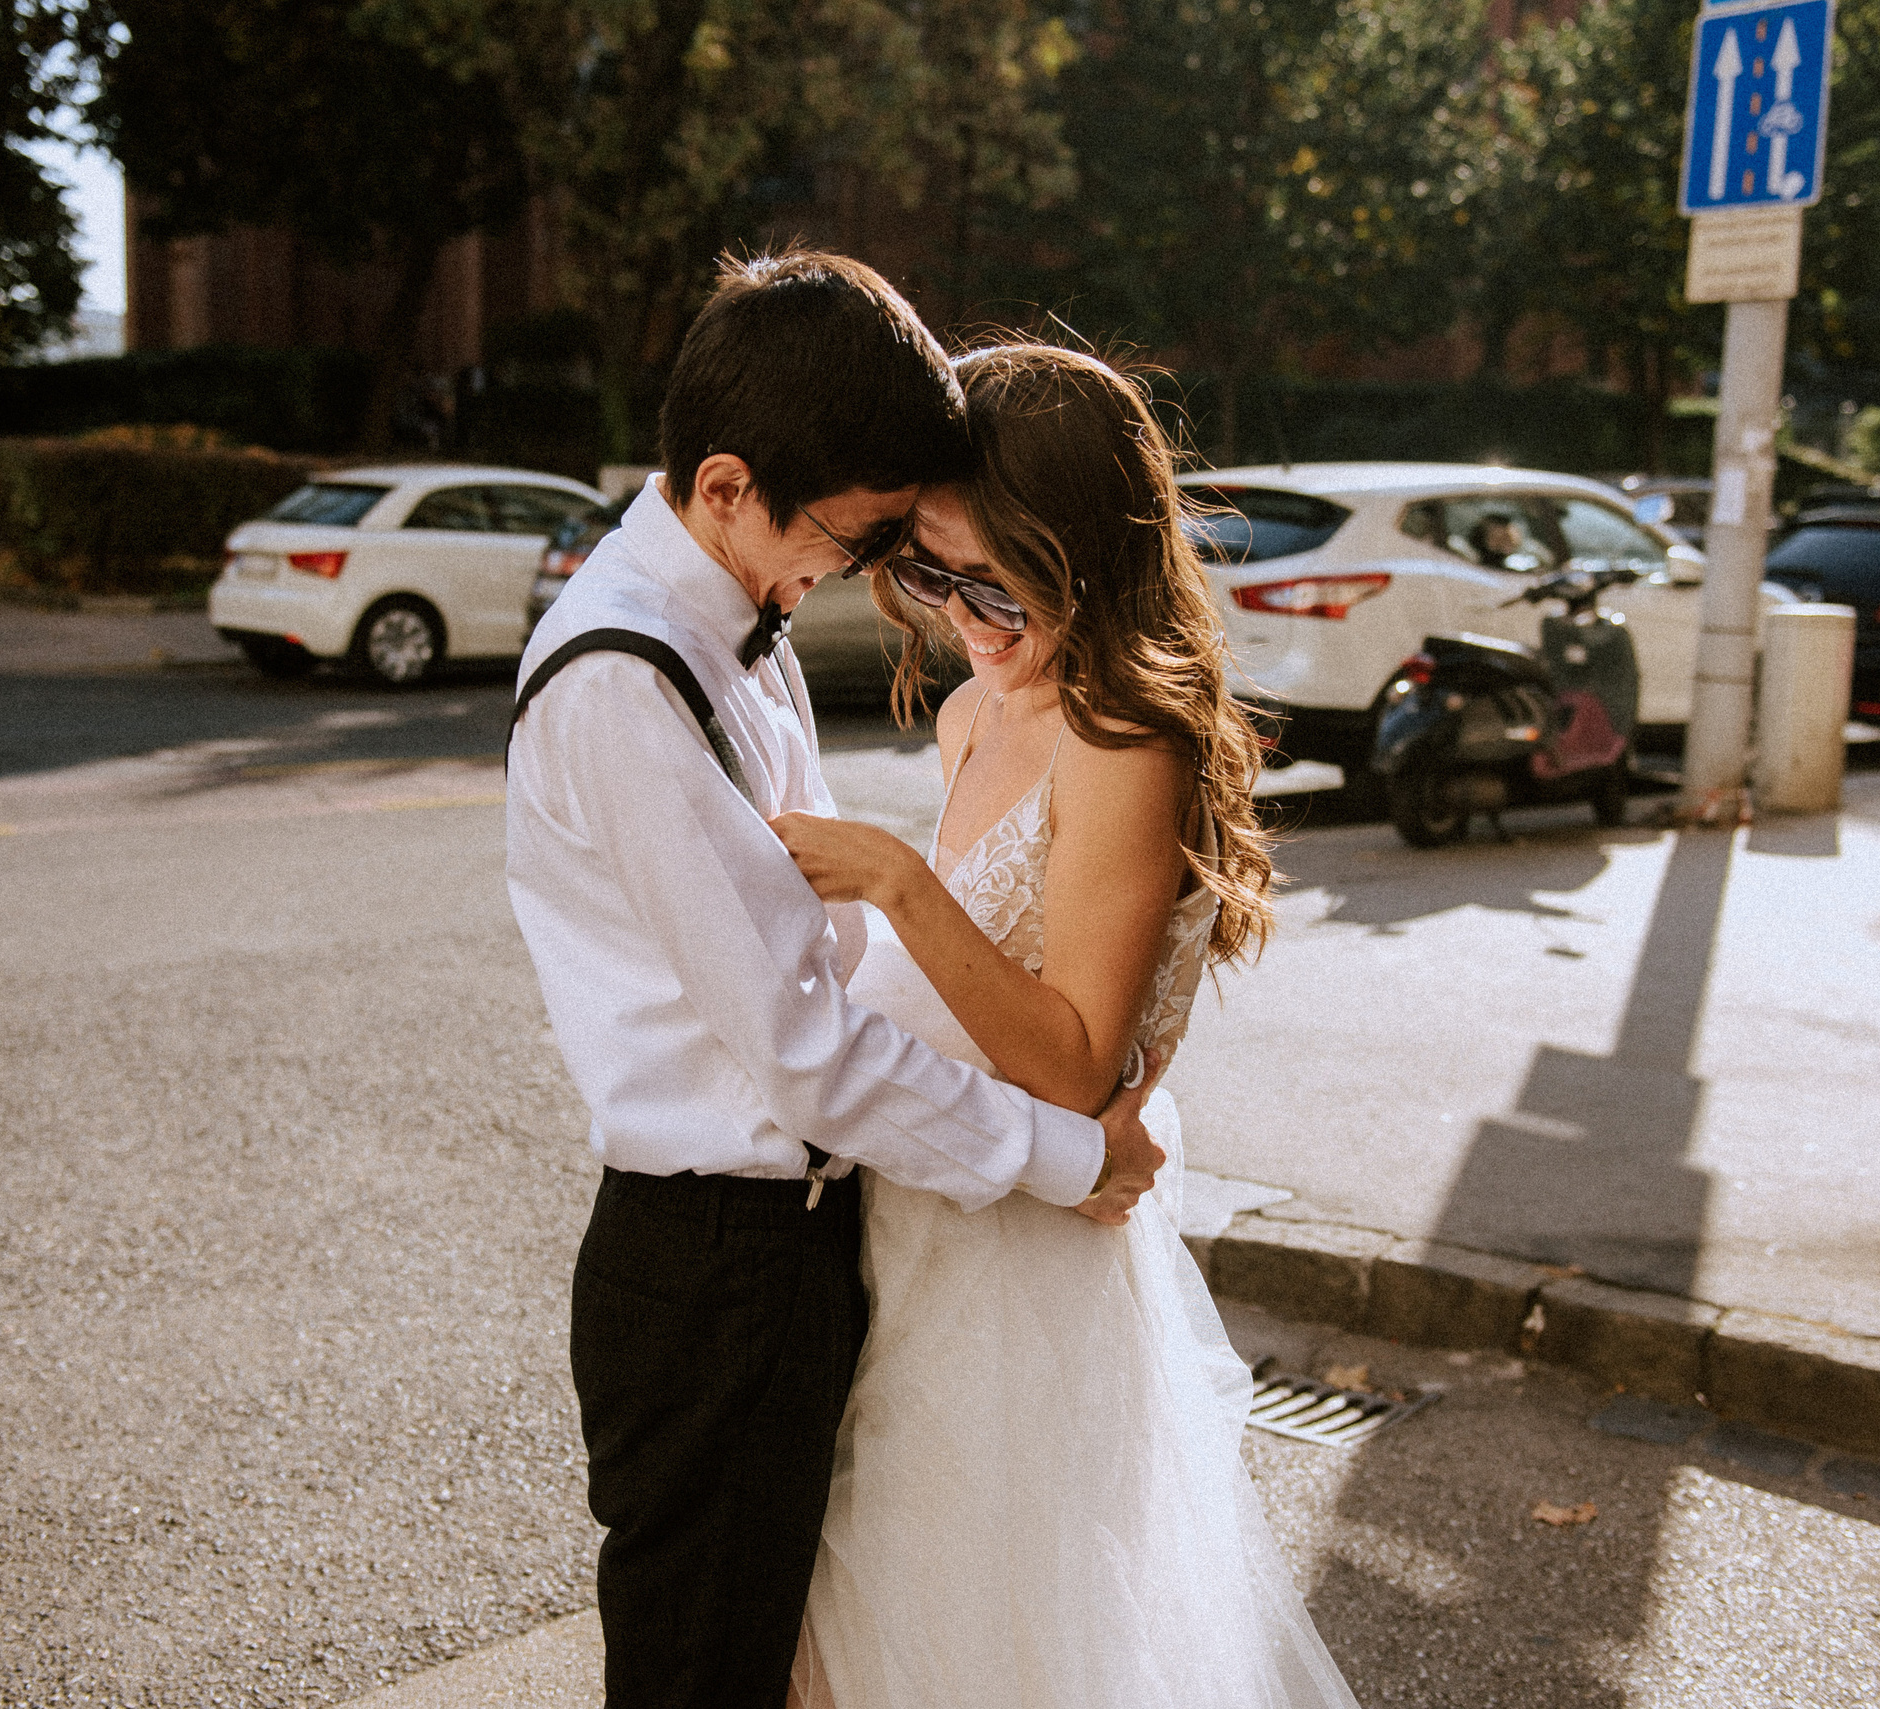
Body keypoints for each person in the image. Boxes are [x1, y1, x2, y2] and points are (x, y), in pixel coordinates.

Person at [503, 254, 1167, 1709]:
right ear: (730, 484)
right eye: (859, 542)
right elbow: (800, 1049)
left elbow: (835, 957)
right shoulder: (628, 678)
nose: (865, 587)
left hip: (819, 1239)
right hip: (715, 1261)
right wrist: (1067, 1152)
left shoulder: (737, 627)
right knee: (702, 1675)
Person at [770, 344, 1360, 1709]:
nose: (963, 613)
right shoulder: (977, 709)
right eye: (929, 569)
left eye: (998, 580)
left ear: (1091, 553)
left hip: (1014, 1284)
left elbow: (1082, 1050)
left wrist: (898, 884)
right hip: (911, 1228)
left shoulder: (1122, 736)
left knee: (975, 1643)